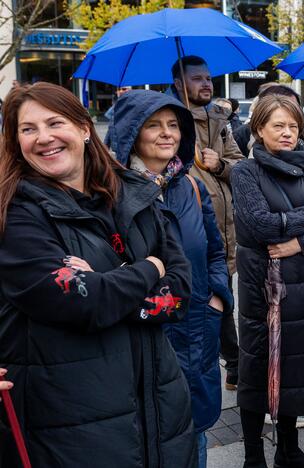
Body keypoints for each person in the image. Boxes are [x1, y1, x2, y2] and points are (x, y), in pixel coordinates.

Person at [0, 82, 196, 467]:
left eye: (55, 122)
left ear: (84, 129)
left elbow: (180, 296)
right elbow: (80, 302)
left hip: (158, 408)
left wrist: (106, 283)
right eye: (28, 129)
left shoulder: (135, 195)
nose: (44, 138)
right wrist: (149, 268)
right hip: (72, 424)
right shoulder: (16, 214)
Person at [113, 89, 234, 468]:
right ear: (132, 132)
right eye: (153, 125)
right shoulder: (110, 193)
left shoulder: (190, 187)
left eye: (173, 125)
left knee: (193, 429)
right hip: (145, 335)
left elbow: (215, 249)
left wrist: (217, 298)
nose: (167, 134)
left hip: (197, 329)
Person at [231, 94, 304, 468]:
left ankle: (288, 449)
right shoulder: (245, 172)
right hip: (266, 287)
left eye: (293, 126)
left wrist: (298, 240)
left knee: (297, 370)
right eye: (277, 126)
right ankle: (254, 456)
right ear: (259, 129)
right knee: (258, 370)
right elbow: (260, 225)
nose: (287, 133)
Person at [171, 55, 245, 391]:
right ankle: (227, 362)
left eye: (208, 77)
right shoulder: (168, 120)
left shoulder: (220, 119)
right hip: (190, 226)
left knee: (221, 294)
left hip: (224, 227)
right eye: (197, 78)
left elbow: (241, 167)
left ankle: (231, 363)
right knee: (205, 297)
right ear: (178, 84)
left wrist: (218, 166)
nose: (206, 84)